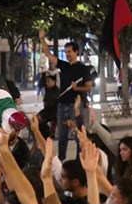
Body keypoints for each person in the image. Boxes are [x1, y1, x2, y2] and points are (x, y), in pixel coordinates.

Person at [39, 29, 94, 160]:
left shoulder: (83, 69)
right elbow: (48, 54)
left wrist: (77, 87)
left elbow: (89, 87)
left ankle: (80, 159)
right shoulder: (63, 65)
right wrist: (42, 39)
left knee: (78, 133)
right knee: (62, 135)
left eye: (69, 52)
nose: (67, 54)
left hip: (76, 105)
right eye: (66, 52)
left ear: (76, 52)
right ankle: (62, 159)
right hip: (62, 104)